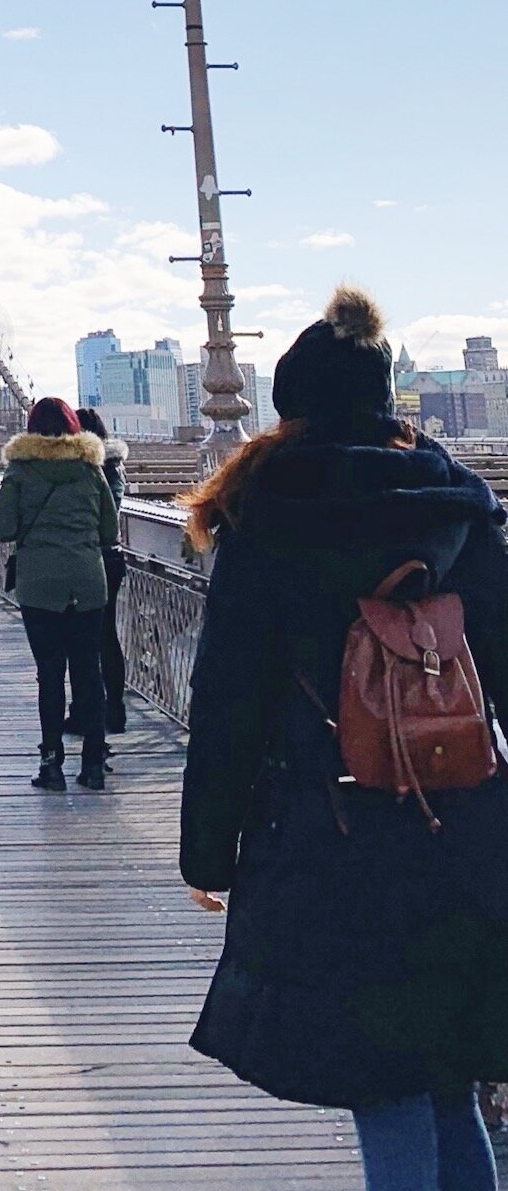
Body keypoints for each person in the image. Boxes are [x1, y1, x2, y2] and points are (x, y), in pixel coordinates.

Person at [179, 287, 508, 1188]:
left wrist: (208, 850)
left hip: (332, 833)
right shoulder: (463, 509)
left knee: (384, 1080)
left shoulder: (267, 514)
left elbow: (227, 702)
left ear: (294, 408)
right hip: (468, 830)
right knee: (443, 1075)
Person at [0, 397, 117, 793]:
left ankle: (51, 765)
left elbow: (2, 529)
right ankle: (93, 764)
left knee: (50, 674)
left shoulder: (20, 471)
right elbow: (110, 532)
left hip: (39, 586)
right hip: (87, 582)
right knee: (88, 670)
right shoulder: (91, 470)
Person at [74, 405, 129, 737]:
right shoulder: (115, 466)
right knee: (106, 636)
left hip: (88, 559)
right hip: (112, 558)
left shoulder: (90, 468)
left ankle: (88, 712)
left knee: (84, 641)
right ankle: (114, 711)